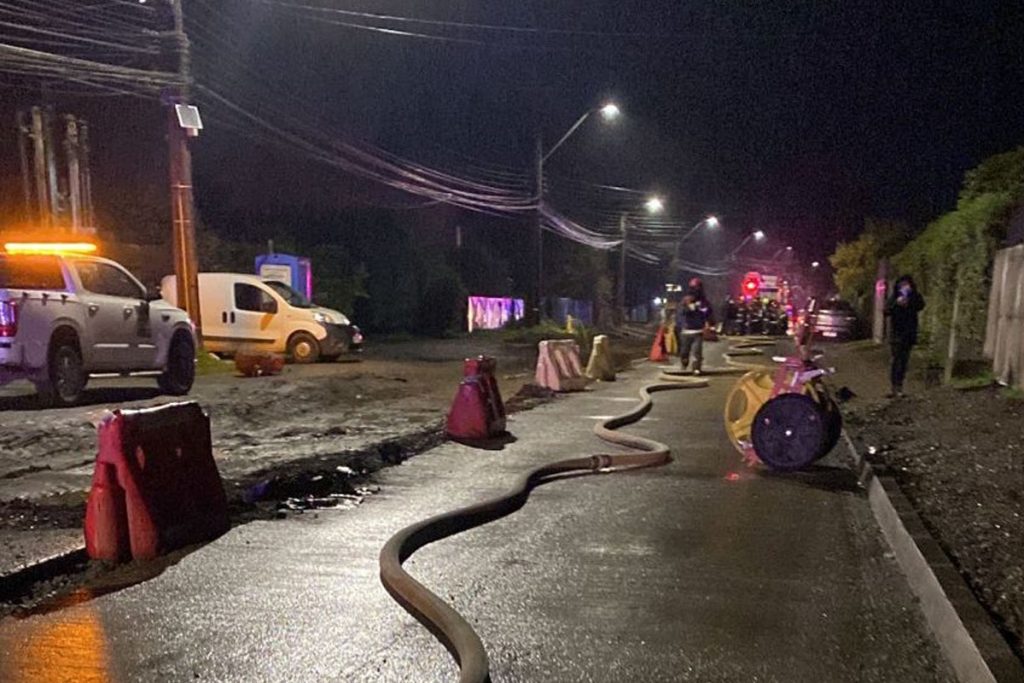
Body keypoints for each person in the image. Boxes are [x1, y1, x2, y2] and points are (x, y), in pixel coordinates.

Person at [884, 274, 925, 397]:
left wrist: (910, 302)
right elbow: (886, 311)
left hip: (908, 334)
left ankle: (899, 386)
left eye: (906, 285)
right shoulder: (894, 297)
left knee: (904, 361)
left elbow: (921, 305)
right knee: (896, 360)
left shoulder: (915, 297)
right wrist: (896, 304)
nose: (904, 288)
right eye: (902, 285)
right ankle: (894, 387)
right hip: (896, 334)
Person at [675, 277, 713, 374]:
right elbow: (681, 313)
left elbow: (708, 313)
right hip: (685, 331)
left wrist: (709, 323)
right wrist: (689, 307)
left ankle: (696, 368)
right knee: (684, 351)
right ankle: (684, 363)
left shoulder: (703, 302)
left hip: (698, 331)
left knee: (697, 352)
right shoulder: (684, 301)